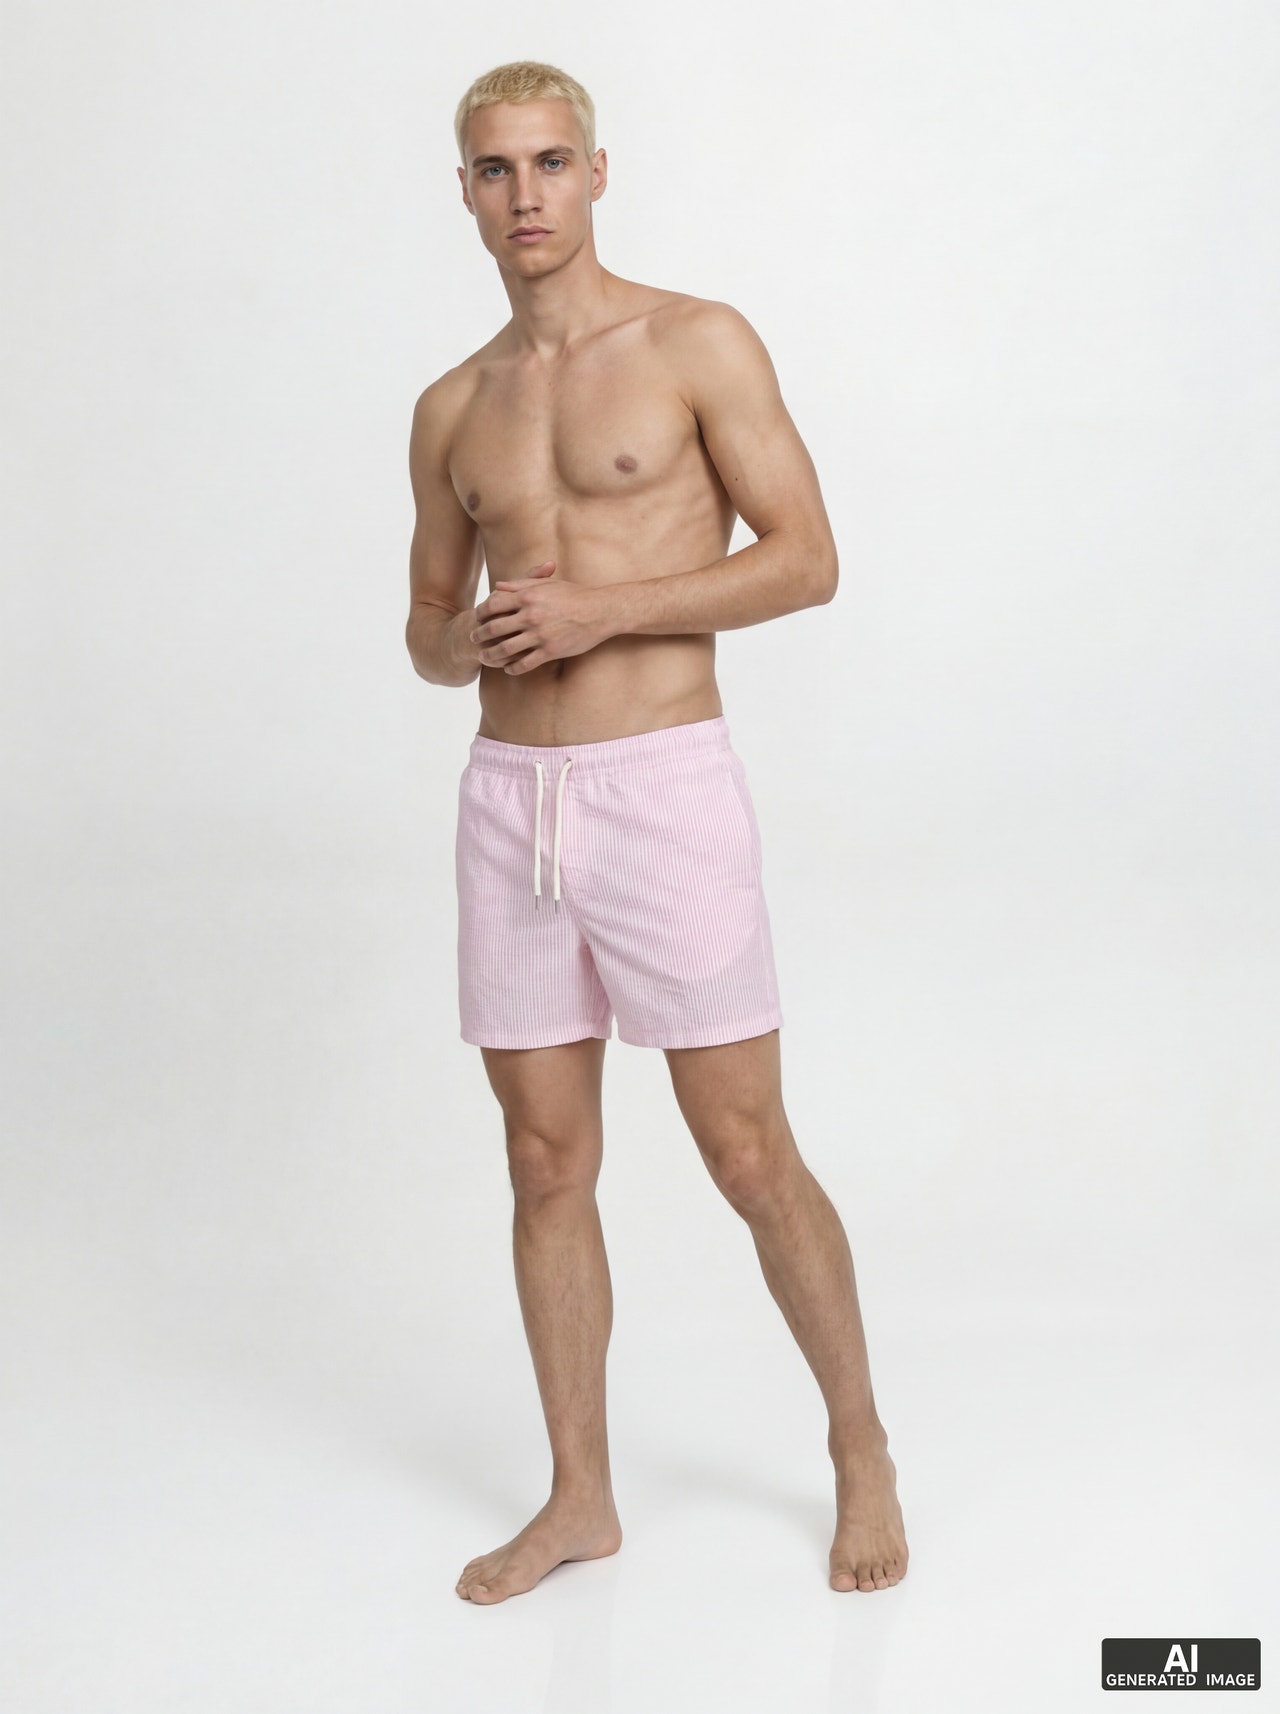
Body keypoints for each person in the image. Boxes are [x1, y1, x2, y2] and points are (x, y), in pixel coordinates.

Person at [406, 59, 908, 1603]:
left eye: (552, 162)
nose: (527, 195)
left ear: (599, 172)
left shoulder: (696, 342)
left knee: (746, 1148)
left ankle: (861, 1445)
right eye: (498, 170)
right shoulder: (453, 407)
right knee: (543, 1158)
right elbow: (424, 628)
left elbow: (808, 558)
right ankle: (580, 1497)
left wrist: (604, 610)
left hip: (662, 784)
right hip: (511, 803)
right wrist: (467, 640)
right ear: (465, 192)